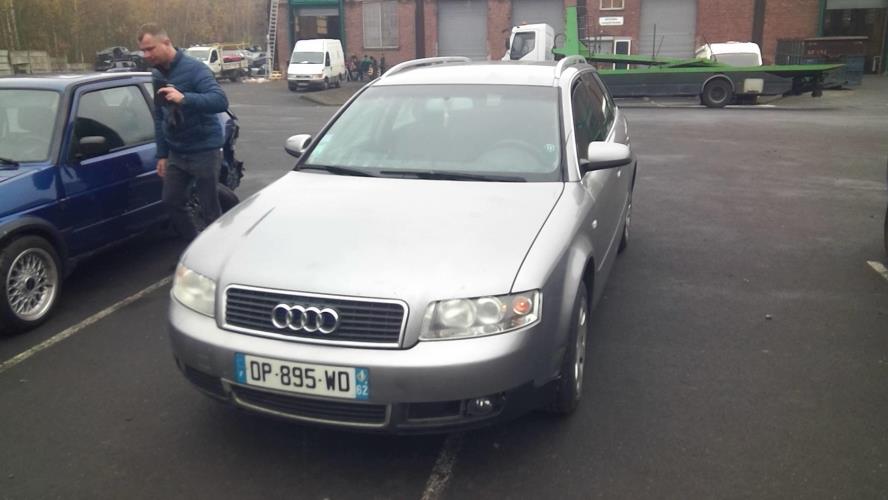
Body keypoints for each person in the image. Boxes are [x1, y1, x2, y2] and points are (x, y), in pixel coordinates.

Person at [137, 23, 229, 241]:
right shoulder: (157, 74)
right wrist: (162, 154)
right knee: (171, 201)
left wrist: (185, 98)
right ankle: (193, 244)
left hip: (204, 151)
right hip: (177, 153)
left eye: (150, 49)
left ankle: (219, 251)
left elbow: (220, 101)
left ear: (166, 43)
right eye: (143, 50)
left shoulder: (195, 69)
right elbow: (160, 115)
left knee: (209, 209)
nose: (146, 55)